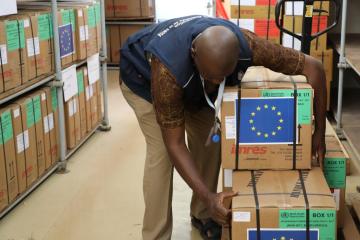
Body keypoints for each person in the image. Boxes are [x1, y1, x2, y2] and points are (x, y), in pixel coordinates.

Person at [119, 15, 326, 240]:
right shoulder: (167, 73)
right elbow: (175, 144)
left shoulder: (249, 45)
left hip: (192, 87)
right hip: (142, 78)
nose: (216, 84)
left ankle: (203, 213)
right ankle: (156, 234)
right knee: (162, 153)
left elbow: (314, 68)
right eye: (209, 76)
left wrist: (319, 134)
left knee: (210, 139)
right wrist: (209, 195)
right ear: (194, 54)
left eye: (222, 78)